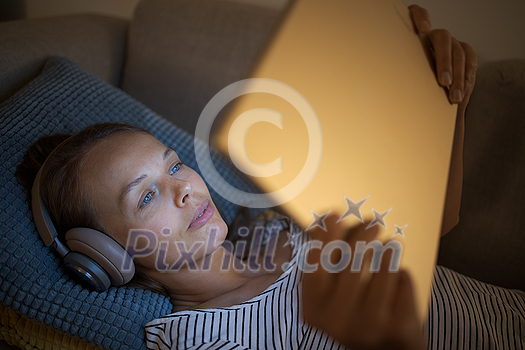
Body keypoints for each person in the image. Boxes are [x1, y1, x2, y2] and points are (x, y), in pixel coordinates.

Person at [15, 5, 525, 350]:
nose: (186, 186)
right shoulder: (196, 340)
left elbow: (436, 221)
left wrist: (445, 91)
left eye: (173, 165)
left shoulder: (283, 229)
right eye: (147, 196)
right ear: (108, 257)